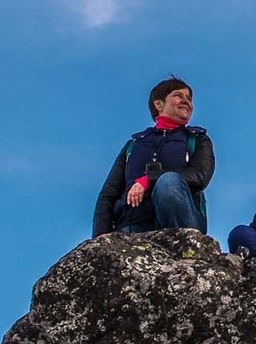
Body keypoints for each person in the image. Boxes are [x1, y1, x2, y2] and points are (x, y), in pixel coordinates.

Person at [92, 78, 216, 238]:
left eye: (189, 98)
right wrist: (100, 237)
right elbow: (108, 194)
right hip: (132, 226)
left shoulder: (197, 139)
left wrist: (147, 180)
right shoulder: (134, 144)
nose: (186, 101)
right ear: (159, 104)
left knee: (168, 181)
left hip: (182, 223)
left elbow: (200, 176)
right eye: (178, 95)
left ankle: (178, 243)